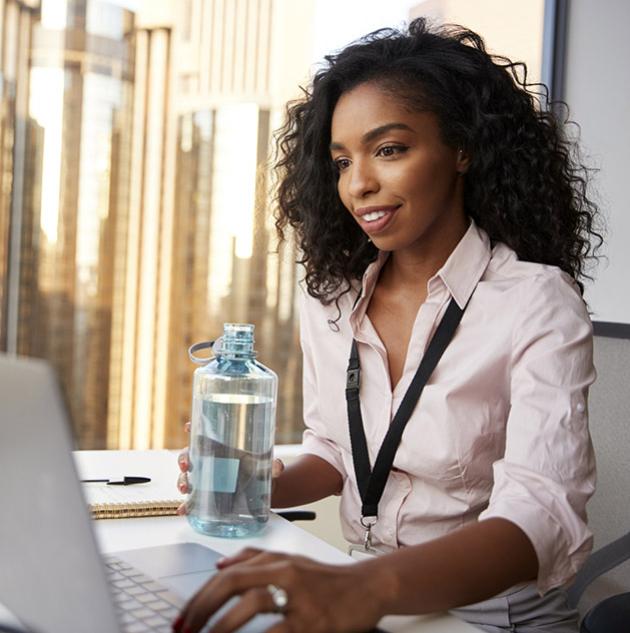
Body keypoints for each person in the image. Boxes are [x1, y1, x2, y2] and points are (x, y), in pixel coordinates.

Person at [174, 18, 602, 633]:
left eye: (390, 149)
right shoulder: (332, 297)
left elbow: (539, 517)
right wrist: (263, 483)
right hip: (364, 596)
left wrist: (364, 587)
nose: (359, 184)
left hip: (487, 619)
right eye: (343, 161)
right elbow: (334, 447)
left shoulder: (536, 302)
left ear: (462, 149)